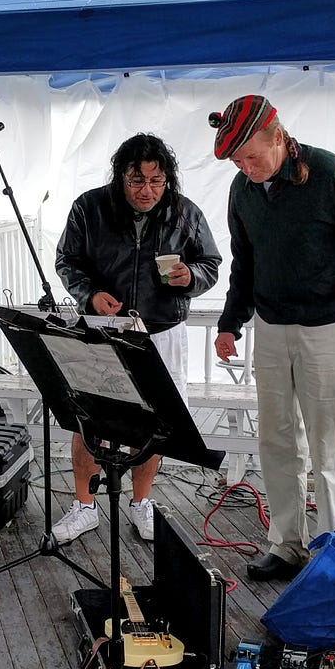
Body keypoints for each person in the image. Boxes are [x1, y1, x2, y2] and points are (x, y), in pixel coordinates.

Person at [210, 95, 335, 582]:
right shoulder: (244, 190)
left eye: (252, 156)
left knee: (330, 444)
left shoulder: (331, 175)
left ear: (279, 137)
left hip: (329, 329)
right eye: (237, 161)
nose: (246, 167)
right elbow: (245, 264)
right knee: (277, 440)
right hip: (272, 329)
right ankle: (286, 545)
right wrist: (230, 322)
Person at [52, 133, 222, 543]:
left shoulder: (184, 212)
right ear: (119, 177)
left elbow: (211, 264)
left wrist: (191, 277)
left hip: (161, 330)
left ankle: (141, 502)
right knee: (89, 418)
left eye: (156, 181)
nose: (147, 191)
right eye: (136, 181)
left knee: (156, 423)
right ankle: (84, 506)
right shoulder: (89, 208)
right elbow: (66, 260)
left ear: (168, 179)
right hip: (101, 330)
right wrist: (88, 294)